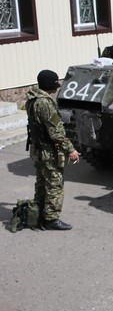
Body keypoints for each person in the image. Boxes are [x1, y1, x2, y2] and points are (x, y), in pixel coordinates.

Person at [25, 70, 80, 231]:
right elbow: (56, 132)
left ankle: (39, 213)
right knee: (55, 184)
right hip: (48, 151)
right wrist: (71, 150)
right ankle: (51, 219)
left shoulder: (32, 99)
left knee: (41, 183)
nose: (57, 86)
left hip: (37, 149)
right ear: (49, 84)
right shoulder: (45, 103)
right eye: (55, 83)